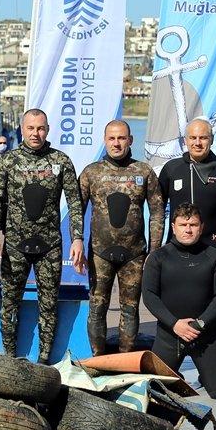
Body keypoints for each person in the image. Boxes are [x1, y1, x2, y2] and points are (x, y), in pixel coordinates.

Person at [0, 108, 84, 363]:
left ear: (48, 130)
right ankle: (9, 358)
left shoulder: (60, 161)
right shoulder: (8, 161)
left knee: (48, 305)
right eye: (30, 128)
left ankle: (43, 360)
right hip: (15, 246)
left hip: (49, 246)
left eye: (40, 128)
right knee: (10, 305)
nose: (35, 133)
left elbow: (75, 203)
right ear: (22, 129)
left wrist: (77, 238)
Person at [78, 120, 163, 354]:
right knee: (97, 306)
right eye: (112, 139)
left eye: (122, 138)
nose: (117, 143)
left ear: (130, 140)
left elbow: (157, 211)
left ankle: (125, 359)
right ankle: (98, 357)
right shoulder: (91, 172)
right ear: (105, 141)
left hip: (135, 254)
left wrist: (154, 250)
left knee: (130, 308)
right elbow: (77, 209)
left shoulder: (144, 171)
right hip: (99, 254)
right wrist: (76, 240)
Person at [142, 203, 216, 399]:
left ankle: (205, 374)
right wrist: (174, 324)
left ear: (201, 227)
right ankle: (176, 375)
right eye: (183, 225)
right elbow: (149, 295)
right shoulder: (158, 257)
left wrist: (199, 324)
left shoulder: (214, 257)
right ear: (173, 226)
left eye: (193, 224)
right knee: (153, 391)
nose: (188, 229)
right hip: (169, 334)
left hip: (204, 334)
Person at [157, 118, 216, 267]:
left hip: (211, 245)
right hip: (175, 246)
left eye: (203, 138)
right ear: (185, 140)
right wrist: (155, 245)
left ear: (211, 140)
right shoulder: (171, 168)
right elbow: (157, 210)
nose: (197, 143)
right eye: (192, 138)